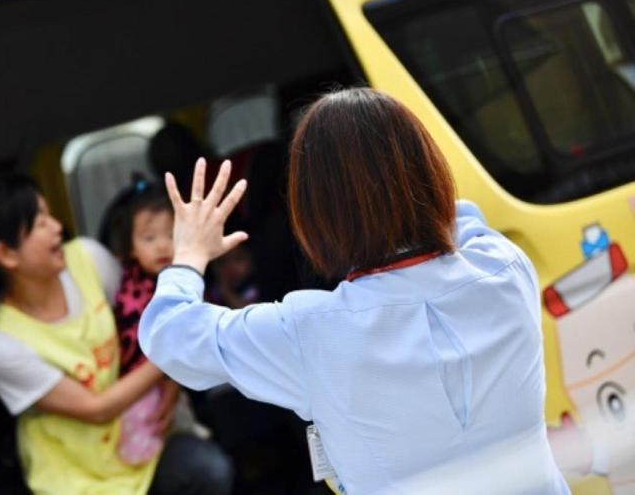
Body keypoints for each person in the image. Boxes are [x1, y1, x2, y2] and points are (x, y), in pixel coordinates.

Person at [139, 88, 570, 494]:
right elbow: (460, 217)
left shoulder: (309, 333)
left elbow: (169, 334)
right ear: (429, 169)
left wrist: (189, 254)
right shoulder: (505, 267)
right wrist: (403, 182)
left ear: (313, 214)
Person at [0, 174, 233, 495]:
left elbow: (141, 310)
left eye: (50, 215)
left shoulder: (87, 258)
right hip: (78, 478)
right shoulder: (2, 344)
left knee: (209, 470)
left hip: (142, 439)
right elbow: (97, 409)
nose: (57, 227)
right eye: (40, 223)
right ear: (7, 254)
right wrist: (168, 355)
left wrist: (172, 380)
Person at [101, 177, 209, 466]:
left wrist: (173, 387)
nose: (162, 246)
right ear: (131, 248)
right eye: (149, 238)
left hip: (172, 379)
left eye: (170, 235)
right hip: (136, 384)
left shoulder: (183, 280)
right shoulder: (129, 287)